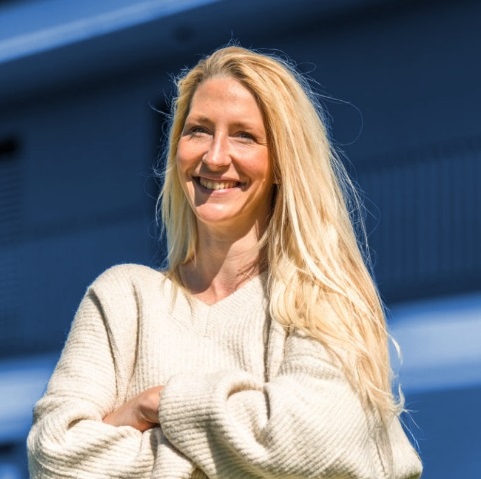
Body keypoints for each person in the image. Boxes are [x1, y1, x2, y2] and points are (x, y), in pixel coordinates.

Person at [26, 46, 422, 478]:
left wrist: (156, 405)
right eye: (198, 131)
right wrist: (244, 452)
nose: (214, 157)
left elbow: (311, 444)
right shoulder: (123, 300)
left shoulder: (321, 298)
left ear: (282, 161)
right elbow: (53, 458)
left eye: (244, 135)